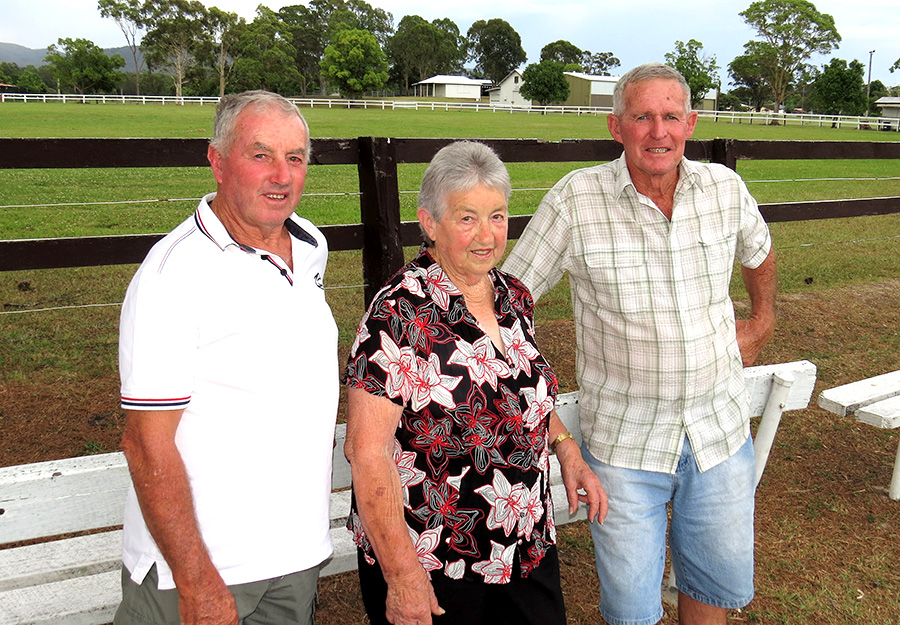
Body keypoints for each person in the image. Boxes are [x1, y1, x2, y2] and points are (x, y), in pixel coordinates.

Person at [503, 63, 777, 625]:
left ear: (691, 123)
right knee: (632, 610)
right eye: (642, 117)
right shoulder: (577, 200)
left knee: (712, 586)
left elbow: (759, 250)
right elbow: (509, 303)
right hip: (625, 446)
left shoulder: (725, 189)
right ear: (615, 126)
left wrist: (762, 321)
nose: (659, 131)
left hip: (719, 431)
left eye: (671, 116)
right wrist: (542, 408)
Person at [343, 141, 608, 625]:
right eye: (467, 218)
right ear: (429, 223)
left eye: (498, 216)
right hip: (437, 562)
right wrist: (403, 578)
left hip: (525, 545)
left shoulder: (513, 296)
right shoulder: (399, 314)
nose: (486, 235)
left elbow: (523, 390)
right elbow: (366, 452)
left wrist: (567, 448)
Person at [116, 90, 339, 625]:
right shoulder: (174, 275)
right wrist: (197, 583)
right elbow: (145, 446)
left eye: (296, 158)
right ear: (217, 161)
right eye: (260, 155)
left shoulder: (310, 248)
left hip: (294, 558)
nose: (281, 176)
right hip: (198, 573)